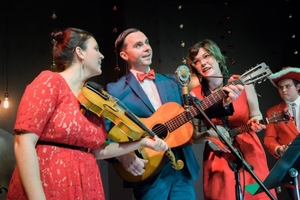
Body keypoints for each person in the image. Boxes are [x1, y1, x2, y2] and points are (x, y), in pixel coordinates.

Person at [6, 27, 169, 200]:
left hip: (86, 183)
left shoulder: (93, 100)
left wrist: (141, 143)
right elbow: (23, 144)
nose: (102, 56)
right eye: (96, 49)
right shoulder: (50, 82)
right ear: (80, 52)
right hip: (50, 181)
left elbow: (98, 151)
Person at [105, 28, 244, 200]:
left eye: (147, 42)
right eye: (139, 45)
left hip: (181, 168)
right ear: (124, 55)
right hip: (149, 171)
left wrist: (224, 101)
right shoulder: (116, 90)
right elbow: (104, 133)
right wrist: (121, 156)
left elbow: (198, 109)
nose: (147, 48)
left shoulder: (172, 81)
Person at [187, 39, 277, 199]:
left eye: (206, 56)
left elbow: (256, 114)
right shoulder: (195, 95)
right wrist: (209, 134)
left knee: (256, 194)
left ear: (218, 58)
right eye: (197, 61)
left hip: (249, 152)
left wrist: (255, 121)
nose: (203, 63)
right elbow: (194, 136)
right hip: (218, 155)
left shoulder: (242, 83)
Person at [264, 66, 300, 200]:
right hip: (293, 172)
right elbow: (269, 139)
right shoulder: (272, 112)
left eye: (287, 86)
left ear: (298, 86)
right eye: (280, 87)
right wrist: (279, 149)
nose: (283, 90)